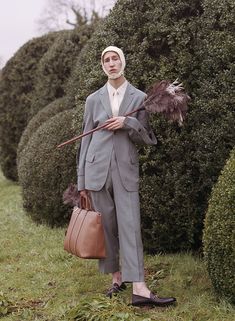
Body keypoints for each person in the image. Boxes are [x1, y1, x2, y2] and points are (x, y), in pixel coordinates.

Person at [77, 45, 176, 307]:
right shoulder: (92, 99)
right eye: (107, 60)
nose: (111, 63)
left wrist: (127, 122)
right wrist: (81, 182)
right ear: (103, 66)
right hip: (95, 171)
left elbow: (146, 138)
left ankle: (140, 288)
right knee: (106, 227)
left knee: (130, 226)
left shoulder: (139, 98)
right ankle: (116, 278)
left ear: (123, 62)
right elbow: (85, 142)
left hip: (125, 170)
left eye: (115, 59)